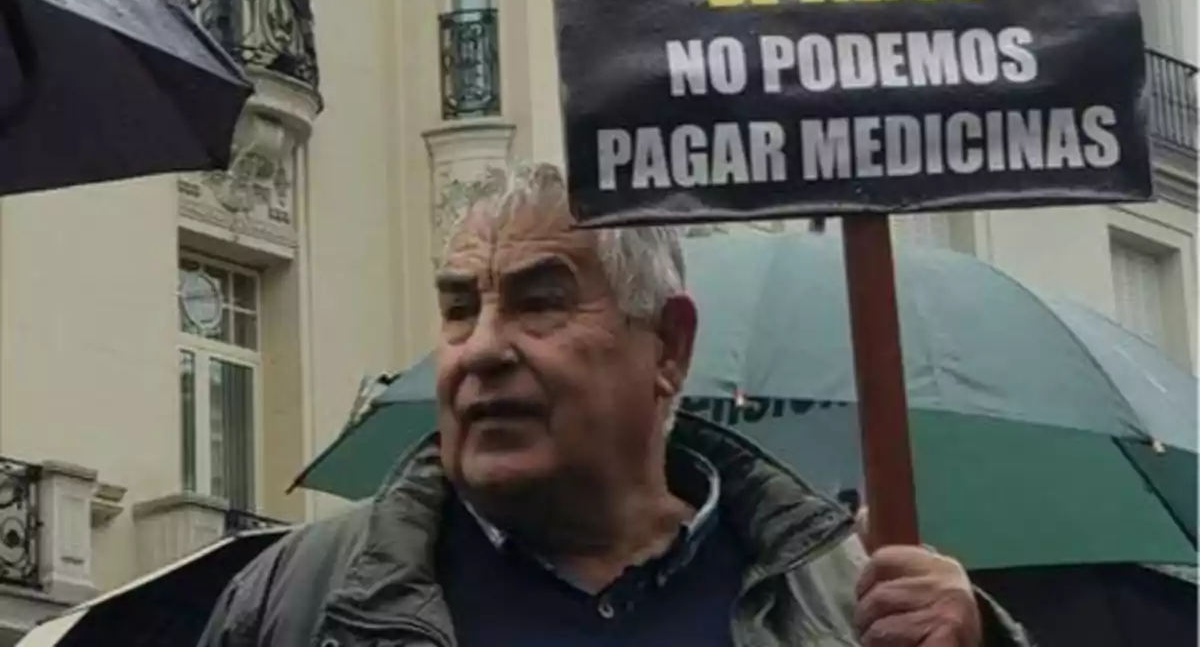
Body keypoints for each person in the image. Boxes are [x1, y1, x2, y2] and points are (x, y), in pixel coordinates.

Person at [197, 161, 1033, 647]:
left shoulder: (841, 601)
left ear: (667, 346)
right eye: (461, 307)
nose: (482, 347)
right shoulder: (299, 599)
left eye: (539, 302)